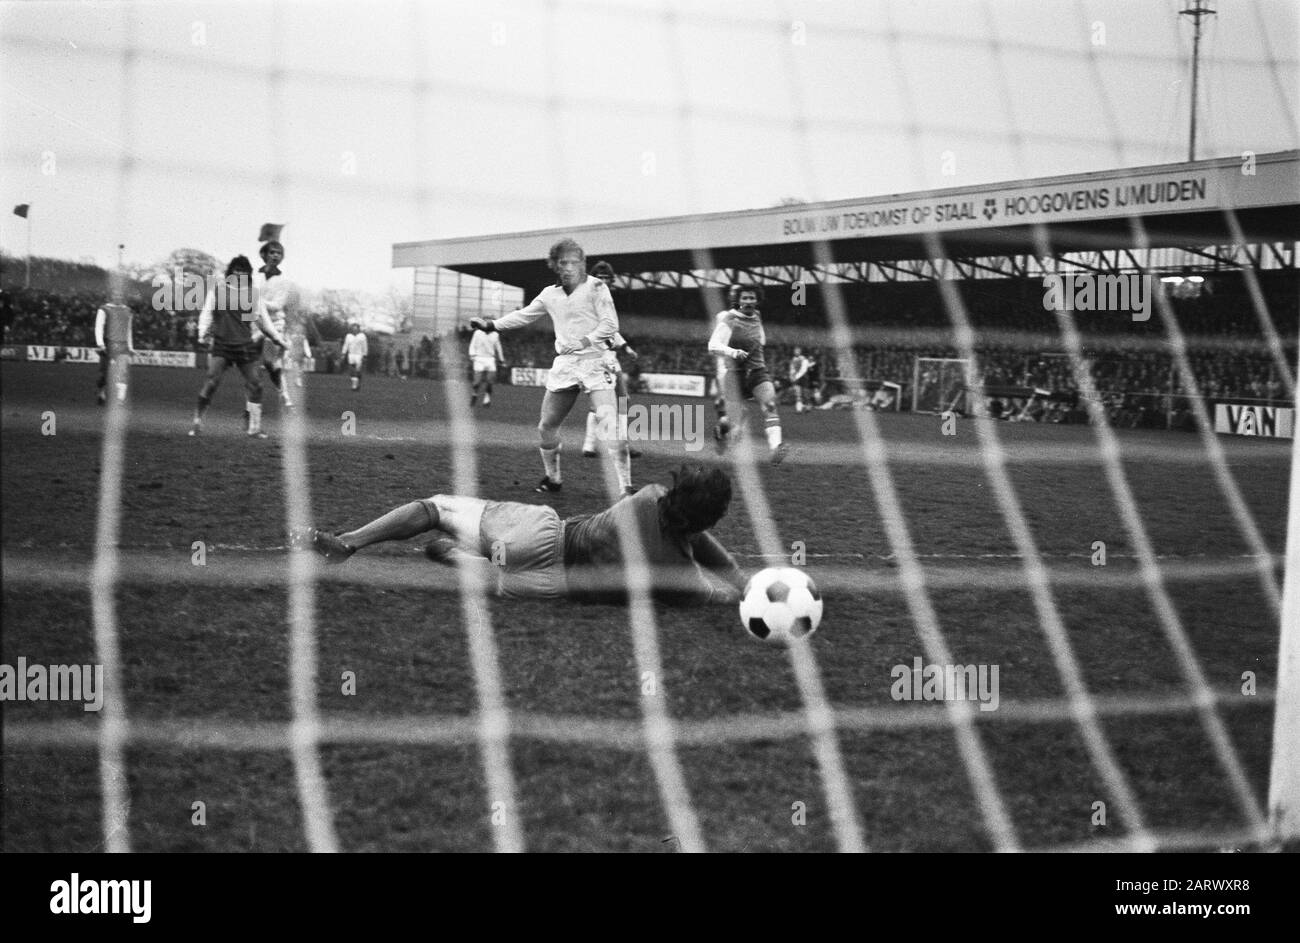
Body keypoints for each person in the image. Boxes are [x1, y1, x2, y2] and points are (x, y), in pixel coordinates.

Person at [293, 464, 746, 605]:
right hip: (554, 588)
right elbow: (704, 566)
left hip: (544, 536)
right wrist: (746, 590)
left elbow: (693, 537)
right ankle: (455, 557)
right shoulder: (676, 573)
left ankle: (348, 543)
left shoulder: (648, 497)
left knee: (438, 508)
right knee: (493, 580)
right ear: (706, 520)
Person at [469, 238, 634, 496]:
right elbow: (524, 315)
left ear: (581, 264)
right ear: (555, 266)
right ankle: (553, 478)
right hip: (566, 365)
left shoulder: (597, 287)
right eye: (562, 262)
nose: (568, 267)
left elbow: (610, 325)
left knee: (610, 423)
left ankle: (626, 488)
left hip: (594, 360)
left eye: (573, 262)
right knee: (546, 426)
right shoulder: (549, 294)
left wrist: (583, 341)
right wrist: (491, 325)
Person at [189, 255, 288, 437]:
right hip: (222, 344)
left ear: (248, 274)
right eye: (236, 269)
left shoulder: (252, 294)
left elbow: (262, 321)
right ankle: (197, 421)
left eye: (243, 270)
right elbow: (207, 313)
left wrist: (277, 339)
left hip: (244, 345)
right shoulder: (218, 290)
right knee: (212, 382)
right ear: (231, 272)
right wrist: (202, 332)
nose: (239, 273)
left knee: (256, 384)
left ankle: (254, 429)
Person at [708, 285, 789, 464]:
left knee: (769, 405)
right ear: (738, 300)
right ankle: (721, 431)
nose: (749, 301)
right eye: (745, 298)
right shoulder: (729, 318)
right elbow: (712, 346)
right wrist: (733, 352)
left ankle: (776, 448)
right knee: (733, 419)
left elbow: (762, 339)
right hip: (734, 374)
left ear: (757, 300)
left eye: (752, 298)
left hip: (757, 371)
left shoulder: (758, 315)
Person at [582, 261, 641, 459]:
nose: (604, 281)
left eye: (607, 278)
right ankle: (593, 445)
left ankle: (598, 445)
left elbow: (611, 331)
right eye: (600, 277)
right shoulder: (589, 301)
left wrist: (626, 347)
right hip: (596, 357)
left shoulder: (605, 301)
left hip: (609, 356)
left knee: (622, 400)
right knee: (605, 404)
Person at [94, 297, 134, 406]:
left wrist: (130, 347)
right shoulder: (104, 309)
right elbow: (99, 327)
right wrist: (100, 344)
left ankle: (120, 399)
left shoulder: (128, 311)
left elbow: (128, 329)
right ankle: (102, 393)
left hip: (123, 345)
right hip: (108, 344)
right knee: (104, 373)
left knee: (122, 372)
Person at [468, 324, 504, 407]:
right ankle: (474, 394)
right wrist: (472, 355)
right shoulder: (477, 333)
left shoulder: (495, 335)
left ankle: (486, 400)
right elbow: (472, 344)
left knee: (490, 381)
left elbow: (498, 347)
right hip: (479, 358)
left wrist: (501, 359)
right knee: (477, 381)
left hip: (490, 359)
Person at [341, 323, 368, 391]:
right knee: (351, 370)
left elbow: (365, 345)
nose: (354, 330)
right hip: (351, 354)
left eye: (356, 328)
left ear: (358, 329)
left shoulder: (362, 336)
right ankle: (354, 385)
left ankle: (356, 385)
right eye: (353, 328)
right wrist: (343, 353)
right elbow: (346, 345)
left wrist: (365, 355)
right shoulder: (348, 336)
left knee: (357, 370)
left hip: (359, 355)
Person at [788, 346, 812, 413]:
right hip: (797, 379)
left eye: (797, 351)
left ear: (800, 352)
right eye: (795, 351)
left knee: (805, 394)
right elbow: (791, 369)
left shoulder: (804, 359)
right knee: (798, 394)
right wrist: (791, 376)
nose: (796, 352)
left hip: (804, 378)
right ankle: (799, 409)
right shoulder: (793, 359)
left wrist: (795, 377)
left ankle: (808, 407)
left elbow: (803, 370)